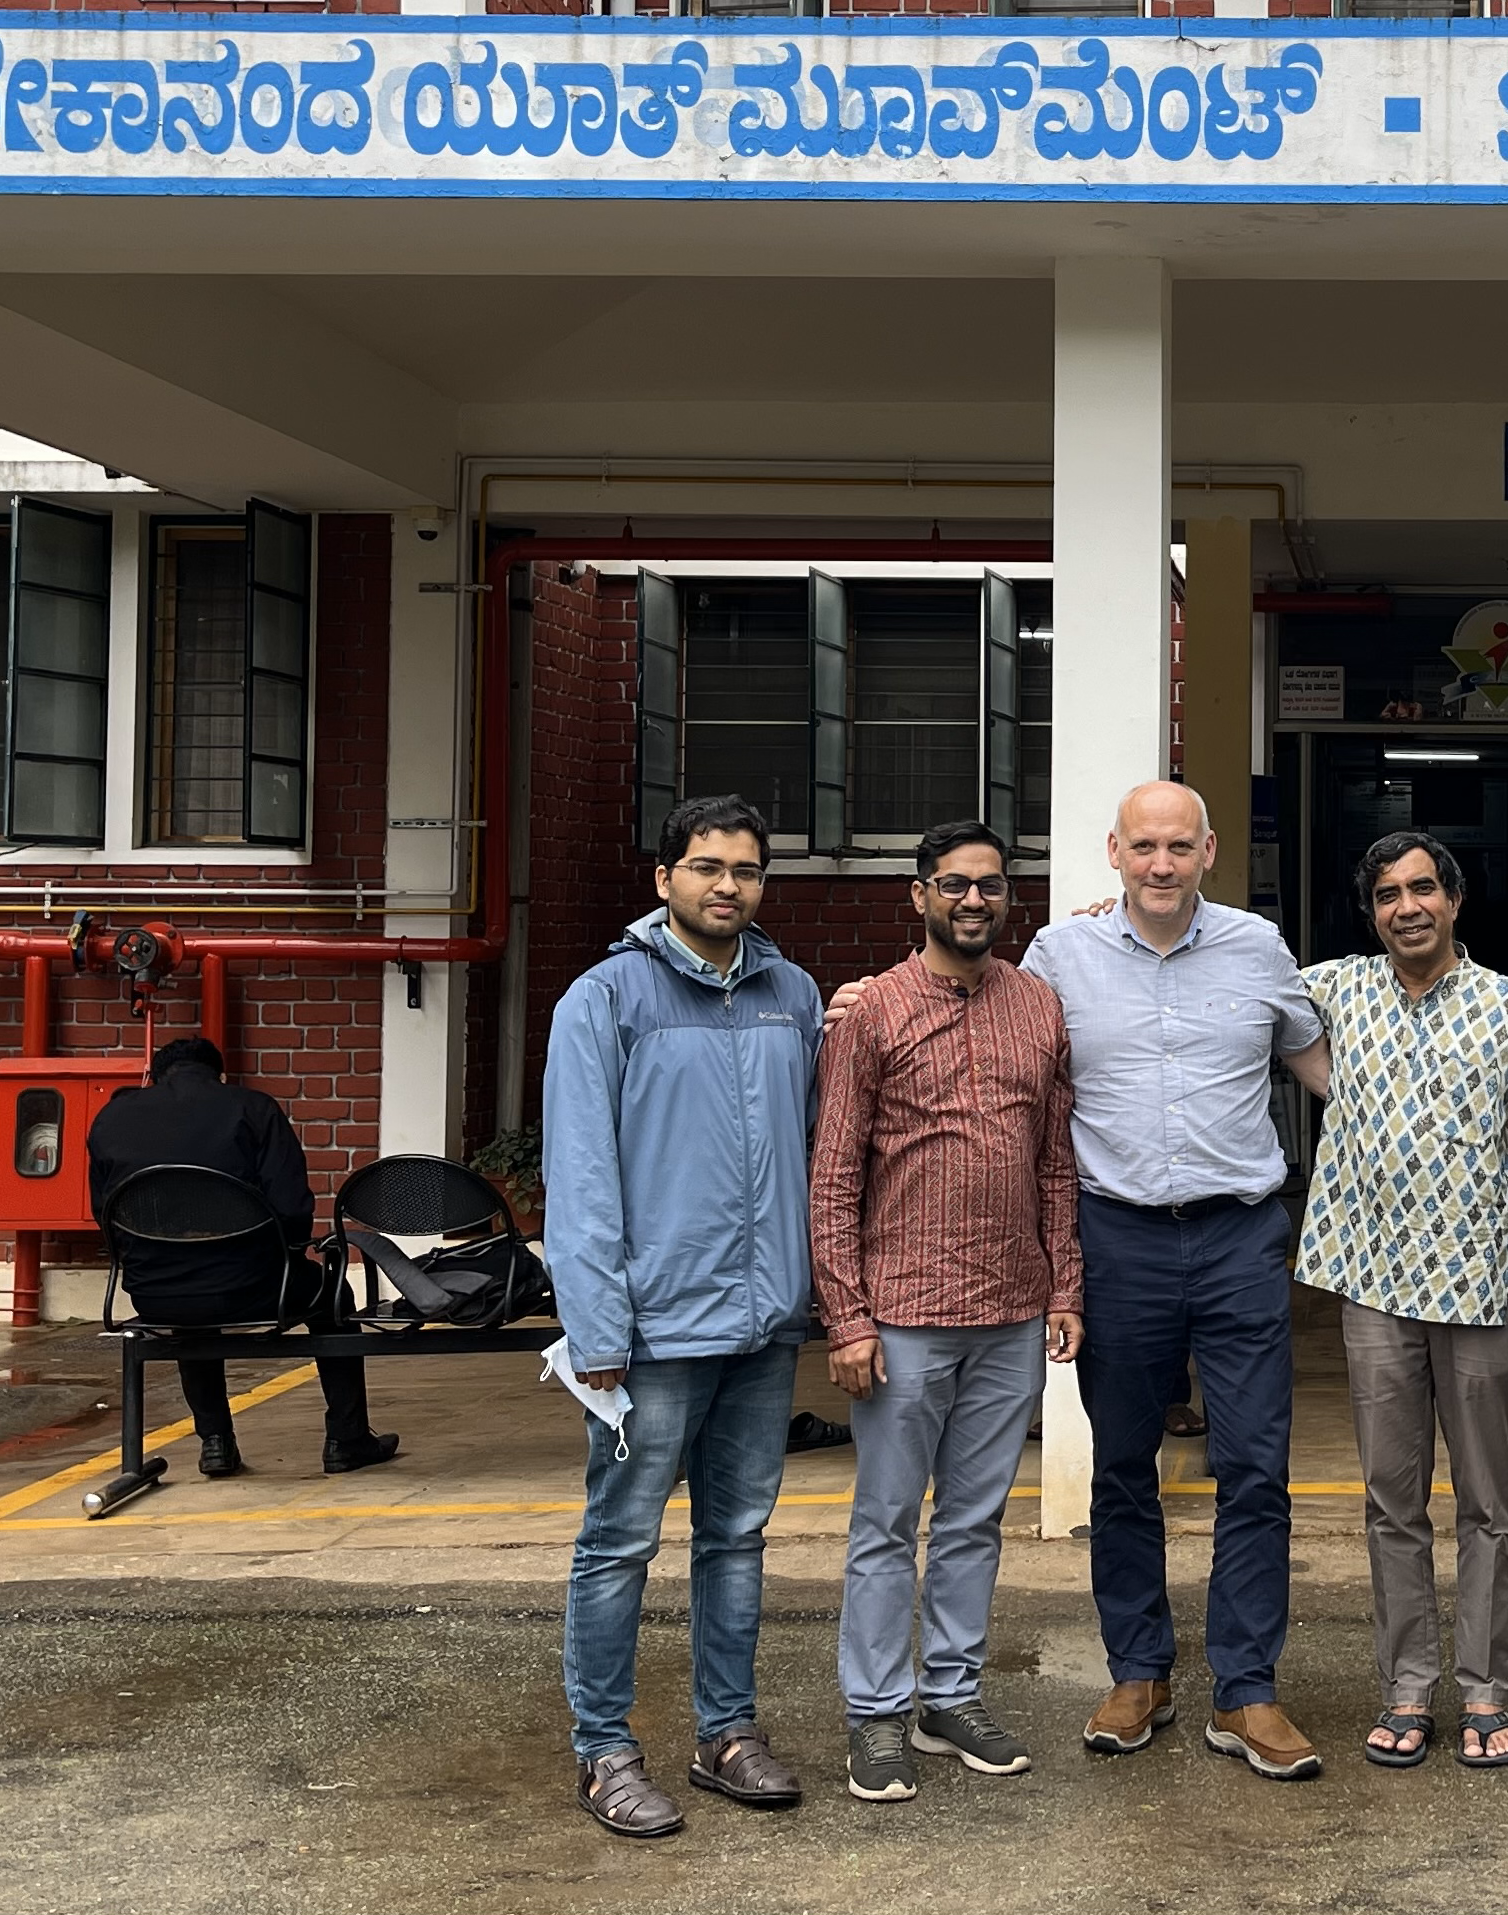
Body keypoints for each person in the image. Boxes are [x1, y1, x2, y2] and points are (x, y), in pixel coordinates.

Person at [1020, 782, 1333, 1783]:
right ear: (1113, 850)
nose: (1160, 863)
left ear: (1208, 852)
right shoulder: (1056, 957)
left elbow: (1326, 1062)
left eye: (1178, 847)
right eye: (1142, 846)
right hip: (1117, 1240)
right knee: (1122, 1469)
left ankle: (1245, 1690)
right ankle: (1138, 1671)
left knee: (1255, 1467)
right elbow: (988, 1040)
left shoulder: (1258, 948)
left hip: (1241, 1235)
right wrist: (862, 997)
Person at [542, 794, 822, 1841]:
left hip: (760, 1326)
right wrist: (598, 1324)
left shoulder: (790, 993)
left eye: (746, 869)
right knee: (618, 1543)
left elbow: (810, 1153)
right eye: (706, 866)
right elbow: (578, 1172)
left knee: (737, 1539)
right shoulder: (605, 998)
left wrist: (808, 1294)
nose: (727, 886)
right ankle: (604, 1750)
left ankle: (725, 1734)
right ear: (663, 879)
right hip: (650, 1332)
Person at [812, 818, 1082, 1805]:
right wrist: (844, 1315)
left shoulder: (1039, 1007)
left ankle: (949, 1695)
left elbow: (1055, 1158)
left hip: (1010, 1310)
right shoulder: (872, 1013)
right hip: (900, 1315)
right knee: (885, 1521)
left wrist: (1064, 1287)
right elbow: (834, 1166)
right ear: (919, 895)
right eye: (955, 885)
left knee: (973, 1519)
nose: (976, 900)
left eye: (992, 886)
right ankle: (875, 1714)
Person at [1296, 829, 1508, 1772]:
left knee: (1491, 1502)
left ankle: (1486, 1687)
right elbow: (1222, 990)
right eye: (1386, 894)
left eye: (1422, 888)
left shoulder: (1507, 1005)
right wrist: (1104, 911)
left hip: (1478, 1281)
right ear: (1369, 911)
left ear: (1454, 901)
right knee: (1389, 1499)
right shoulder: (1332, 988)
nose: (1405, 906)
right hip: (1370, 1280)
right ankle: (1408, 1687)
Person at [84, 1034, 396, 1479]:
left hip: (155, 1294)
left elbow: (105, 1214)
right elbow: (292, 1210)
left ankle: (215, 1441)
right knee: (334, 1293)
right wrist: (281, 1256)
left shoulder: (112, 1118)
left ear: (152, 1077)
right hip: (256, 1288)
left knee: (188, 1310)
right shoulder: (253, 1109)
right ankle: (346, 1440)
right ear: (221, 1075)